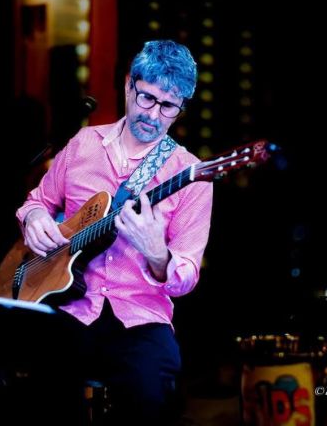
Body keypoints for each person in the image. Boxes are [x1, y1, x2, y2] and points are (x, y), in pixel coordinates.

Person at [16, 39, 213, 425]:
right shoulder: (83, 144)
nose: (153, 114)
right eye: (146, 98)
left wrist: (157, 253)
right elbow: (37, 201)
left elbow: (187, 276)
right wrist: (35, 218)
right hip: (69, 307)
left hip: (140, 317)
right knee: (37, 384)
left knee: (151, 393)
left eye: (168, 106)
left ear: (181, 108)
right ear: (128, 85)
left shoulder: (192, 175)